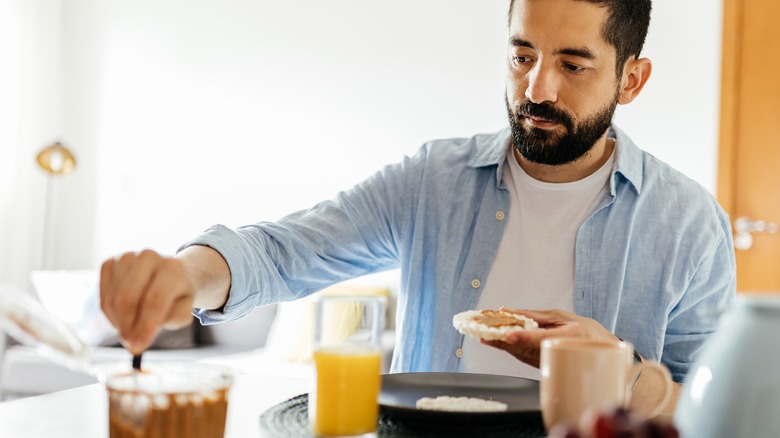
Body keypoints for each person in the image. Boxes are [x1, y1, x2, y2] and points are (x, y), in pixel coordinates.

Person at [100, 0, 736, 414]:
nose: (536, 88)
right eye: (522, 56)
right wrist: (184, 275)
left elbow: (718, 410)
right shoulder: (434, 179)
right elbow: (284, 250)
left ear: (631, 78)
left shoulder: (688, 224)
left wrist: (620, 375)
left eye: (573, 65)